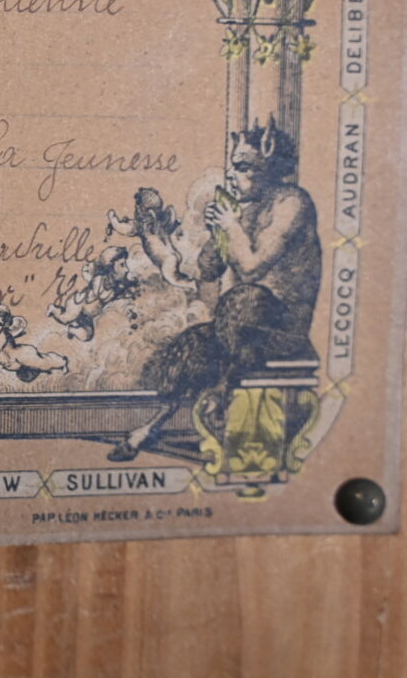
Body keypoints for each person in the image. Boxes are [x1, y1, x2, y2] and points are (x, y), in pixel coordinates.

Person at [110, 119, 320, 461]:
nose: (233, 176)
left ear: (270, 166)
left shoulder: (291, 203)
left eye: (244, 167)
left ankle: (224, 412)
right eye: (233, 167)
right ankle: (153, 426)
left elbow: (252, 268)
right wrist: (216, 233)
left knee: (245, 300)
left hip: (280, 327)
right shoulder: (248, 208)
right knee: (190, 346)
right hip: (242, 324)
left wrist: (231, 225)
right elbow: (208, 273)